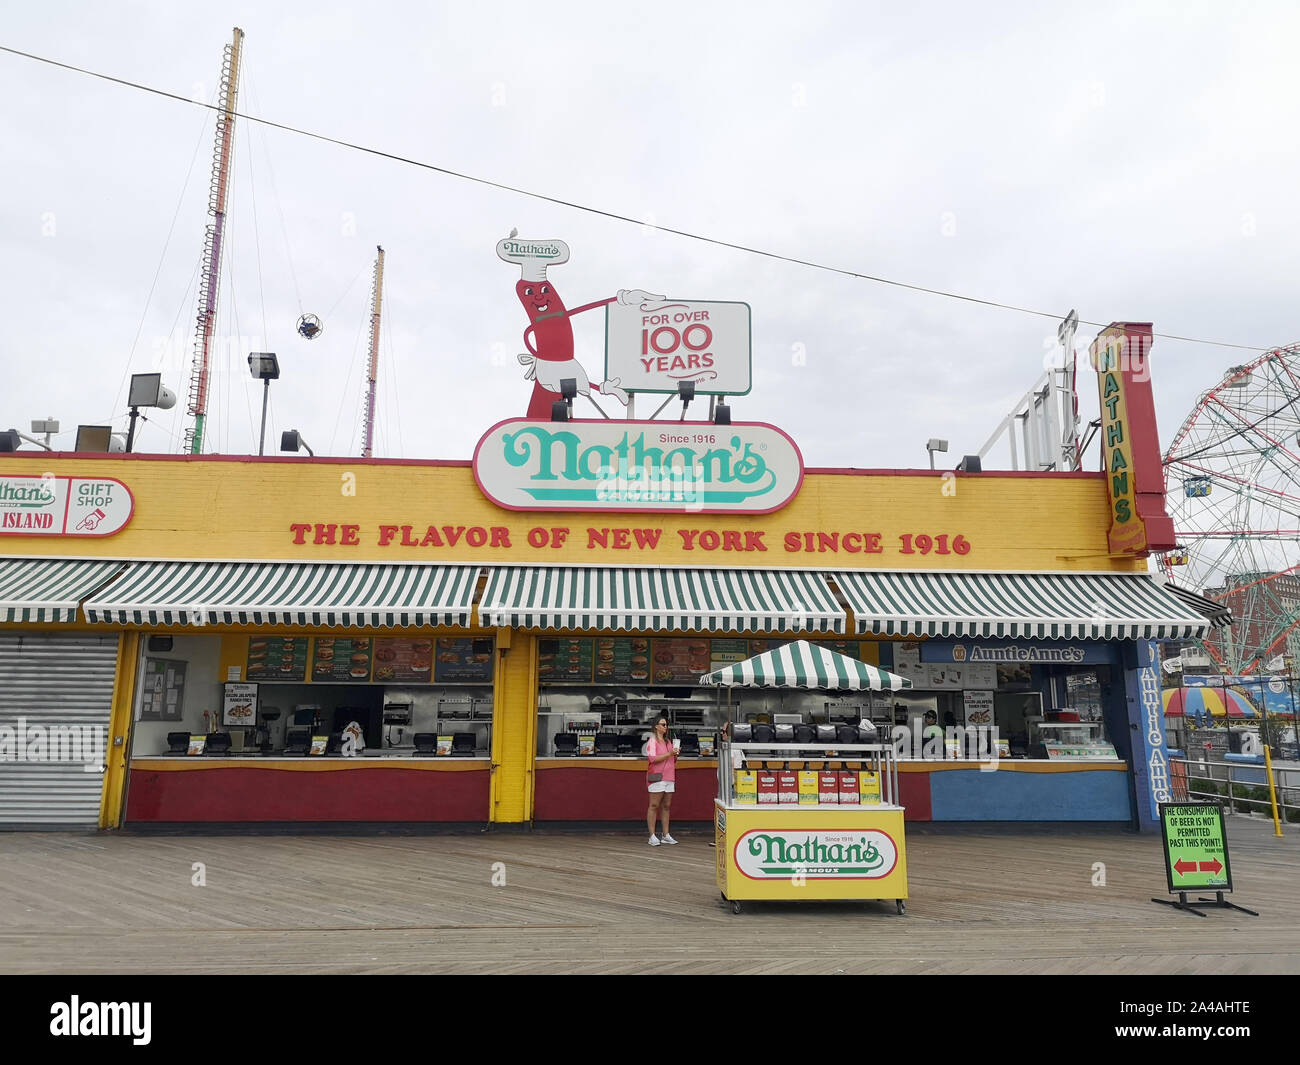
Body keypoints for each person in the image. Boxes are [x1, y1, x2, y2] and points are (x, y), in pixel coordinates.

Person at [645, 715, 678, 846]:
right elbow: (652, 759)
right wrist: (670, 754)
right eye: (663, 724)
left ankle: (666, 834)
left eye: (666, 725)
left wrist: (675, 755)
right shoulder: (652, 741)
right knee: (654, 805)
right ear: (656, 726)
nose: (666, 727)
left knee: (666, 806)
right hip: (657, 776)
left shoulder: (668, 742)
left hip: (669, 776)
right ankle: (652, 835)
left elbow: (672, 760)